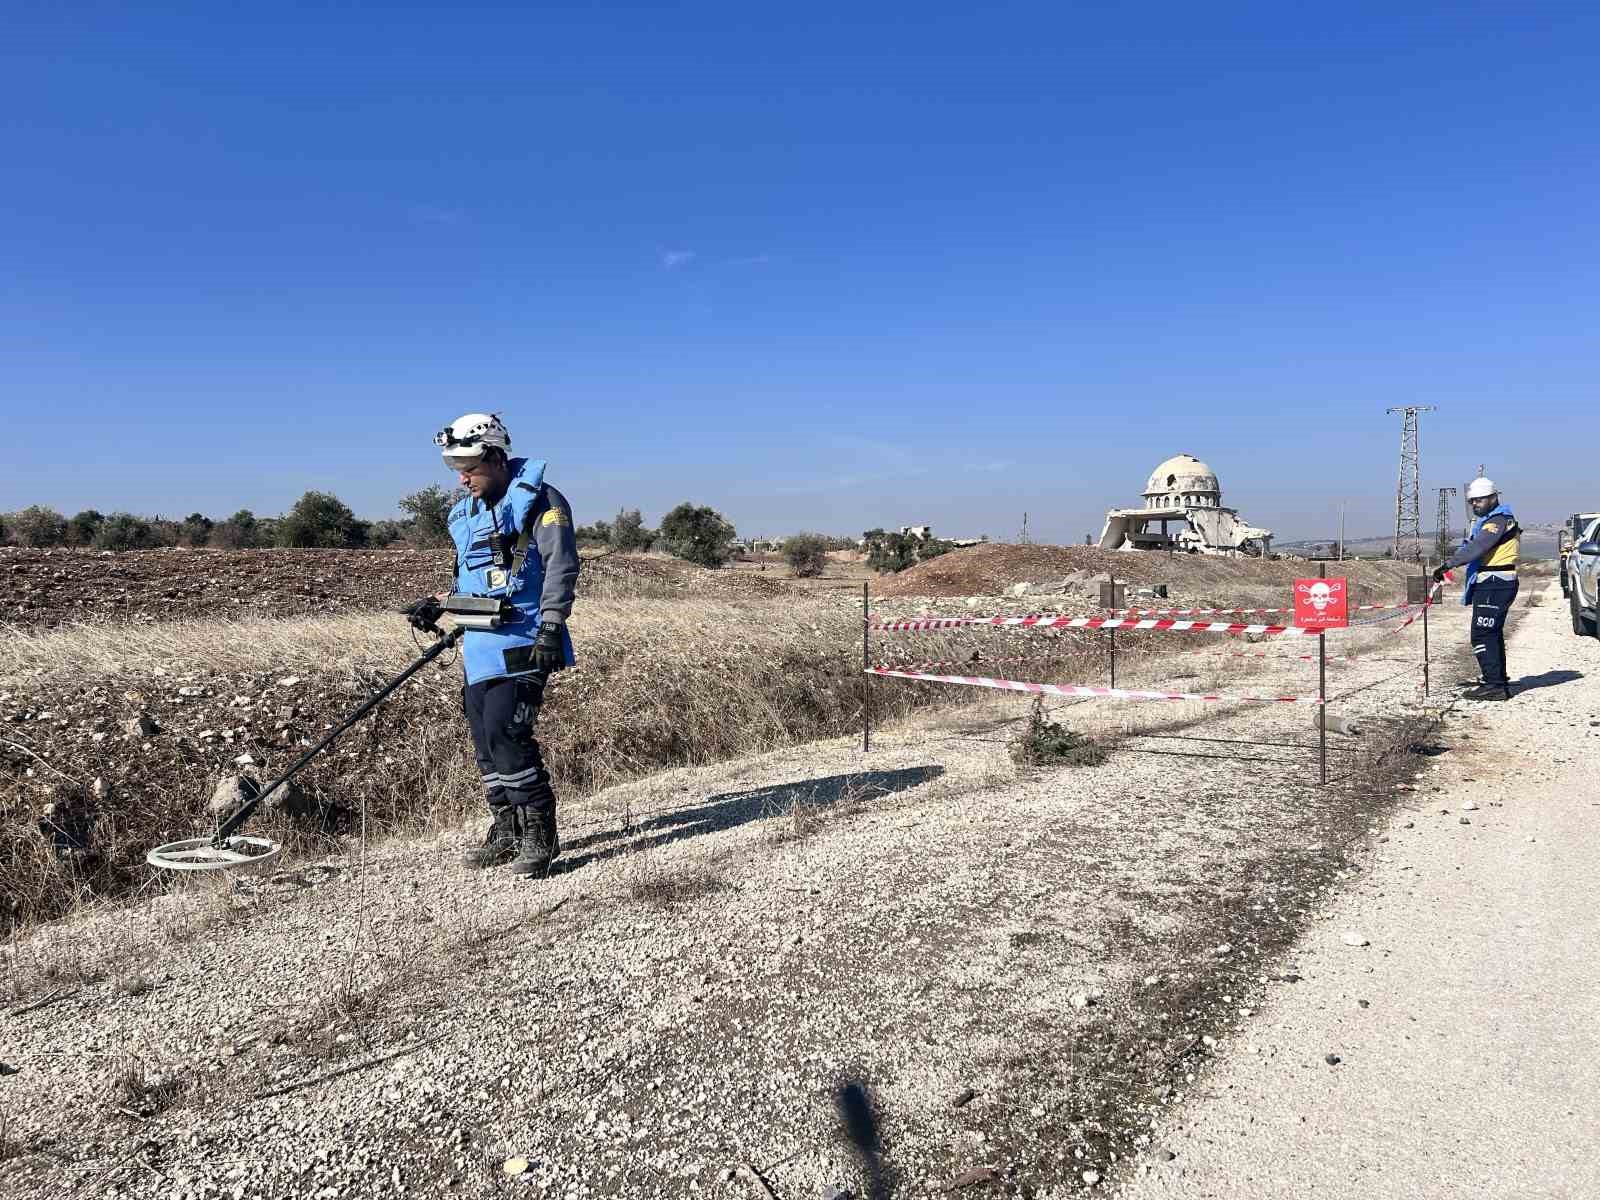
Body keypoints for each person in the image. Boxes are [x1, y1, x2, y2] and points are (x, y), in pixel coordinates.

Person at [407, 413, 579, 875]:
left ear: (498, 458)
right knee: (485, 740)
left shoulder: (543, 501)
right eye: (455, 467)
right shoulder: (469, 514)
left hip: (526, 640)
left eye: (471, 466)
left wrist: (551, 625)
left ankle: (540, 833)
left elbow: (561, 567)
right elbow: (476, 579)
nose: (463, 477)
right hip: (481, 647)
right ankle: (507, 828)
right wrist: (439, 603)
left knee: (507, 732)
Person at [1433, 476, 1519, 701]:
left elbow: (1477, 547)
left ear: (1493, 497)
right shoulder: (1490, 520)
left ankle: (1495, 686)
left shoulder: (1497, 521)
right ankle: (1496, 679)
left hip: (1495, 583)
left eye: (1479, 500)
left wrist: (1448, 565)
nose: (1474, 505)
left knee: (1482, 633)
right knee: (1491, 633)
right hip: (1492, 582)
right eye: (1472, 501)